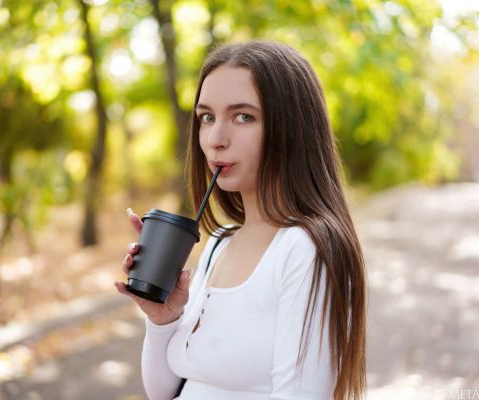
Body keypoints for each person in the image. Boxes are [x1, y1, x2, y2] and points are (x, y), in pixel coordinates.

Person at [115, 40, 367, 400]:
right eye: (207, 117)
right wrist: (163, 319)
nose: (215, 139)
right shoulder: (219, 242)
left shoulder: (305, 248)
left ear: (291, 129)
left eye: (243, 116)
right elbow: (162, 392)